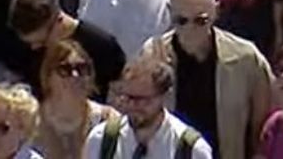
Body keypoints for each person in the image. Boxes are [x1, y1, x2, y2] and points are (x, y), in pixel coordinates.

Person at [134, 0, 272, 159]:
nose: (190, 29)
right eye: (181, 20)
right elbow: (136, 120)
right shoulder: (151, 55)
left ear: (216, 11)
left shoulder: (245, 59)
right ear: (169, 12)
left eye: (200, 21)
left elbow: (265, 127)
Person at [85, 56, 214, 159]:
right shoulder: (101, 139)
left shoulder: (191, 149)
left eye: (142, 100)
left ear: (164, 97)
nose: (133, 106)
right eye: (128, 97)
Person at [35, 39, 117, 159]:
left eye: (82, 68)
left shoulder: (109, 120)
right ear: (48, 77)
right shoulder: (29, 121)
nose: (75, 76)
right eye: (65, 69)